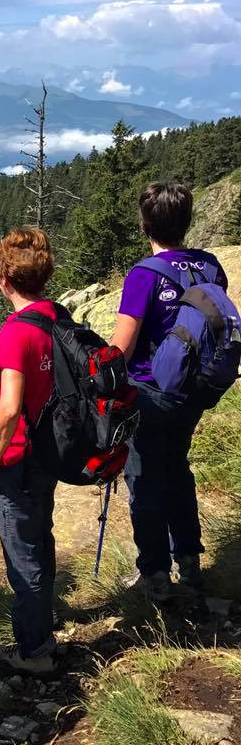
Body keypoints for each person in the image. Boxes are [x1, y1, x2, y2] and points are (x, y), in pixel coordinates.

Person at [109, 182, 228, 602]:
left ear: (146, 225)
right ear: (186, 222)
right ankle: (190, 563)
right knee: (178, 468)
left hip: (150, 390)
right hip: (195, 391)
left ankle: (155, 573)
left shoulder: (144, 275)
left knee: (144, 477)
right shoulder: (210, 266)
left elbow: (122, 347)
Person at [0, 228, 59, 677]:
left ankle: (34, 650)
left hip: (19, 457)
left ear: (5, 280)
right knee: (40, 538)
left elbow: (9, 407)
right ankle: (41, 625)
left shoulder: (15, 333)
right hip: (50, 450)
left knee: (22, 553)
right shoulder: (56, 317)